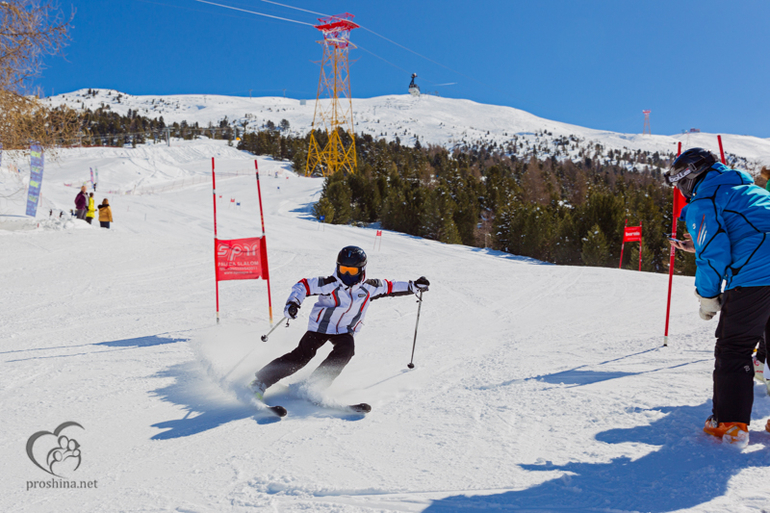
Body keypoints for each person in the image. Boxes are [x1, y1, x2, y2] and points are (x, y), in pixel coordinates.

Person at [667, 148, 770, 445]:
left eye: (678, 180)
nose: (679, 188)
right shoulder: (751, 191)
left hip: (754, 280)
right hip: (761, 272)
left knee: (734, 348)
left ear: (690, 176)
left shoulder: (705, 200)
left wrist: (707, 295)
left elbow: (713, 254)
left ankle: (729, 423)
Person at [249, 246, 430, 401]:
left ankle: (313, 385)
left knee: (346, 351)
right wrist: (293, 303)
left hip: (345, 329)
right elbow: (303, 286)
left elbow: (392, 286)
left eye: (351, 272)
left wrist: (414, 285)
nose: (346, 275)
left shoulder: (370, 287)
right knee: (302, 355)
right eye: (343, 270)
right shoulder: (328, 283)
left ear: (361, 270)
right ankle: (260, 381)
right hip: (320, 327)